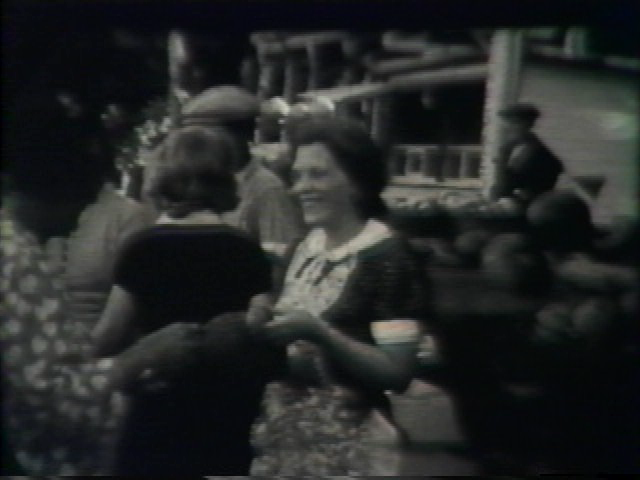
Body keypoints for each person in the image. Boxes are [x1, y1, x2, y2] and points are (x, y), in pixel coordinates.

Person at [245, 117, 430, 476]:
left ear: (358, 181)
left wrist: (321, 334)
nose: (301, 188)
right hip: (286, 433)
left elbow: (397, 373)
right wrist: (262, 308)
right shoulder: (303, 248)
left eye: (318, 174)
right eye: (298, 176)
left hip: (351, 444)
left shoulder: (388, 258)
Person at [89, 126, 277, 475]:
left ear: (163, 177)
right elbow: (261, 329)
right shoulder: (245, 249)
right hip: (228, 414)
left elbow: (108, 337)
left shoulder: (143, 248)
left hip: (158, 409)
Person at [2, 93, 151, 475]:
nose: (82, 218)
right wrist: (140, 360)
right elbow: (48, 399)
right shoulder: (16, 259)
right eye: (84, 202)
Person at [177, 85, 305, 259]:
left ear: (241, 137)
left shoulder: (266, 190)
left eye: (207, 139)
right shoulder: (201, 185)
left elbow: (279, 260)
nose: (200, 149)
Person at [491, 104, 563, 206]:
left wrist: (503, 154)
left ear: (527, 124)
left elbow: (503, 187)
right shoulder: (517, 146)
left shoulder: (532, 150)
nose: (507, 129)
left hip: (527, 206)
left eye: (513, 123)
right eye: (506, 123)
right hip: (517, 203)